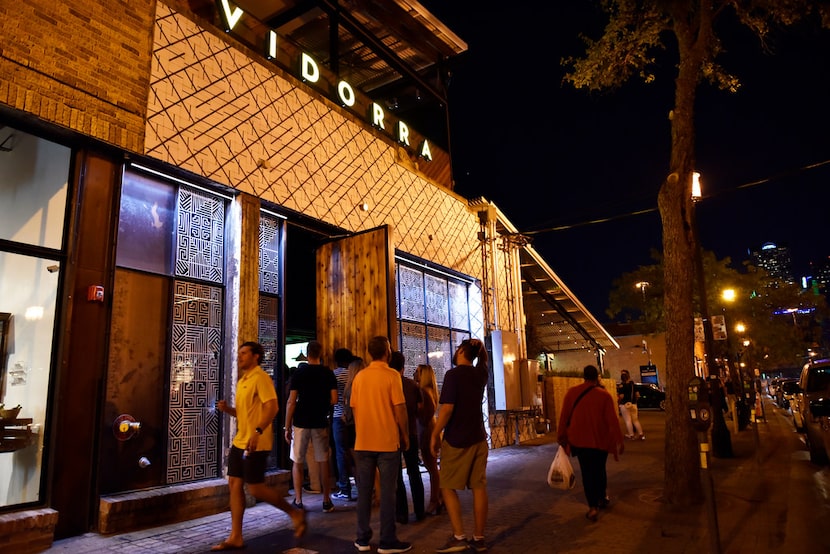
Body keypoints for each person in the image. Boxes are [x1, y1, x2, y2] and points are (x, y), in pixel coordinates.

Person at [212, 342, 306, 551]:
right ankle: (236, 536)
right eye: (240, 353)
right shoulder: (244, 380)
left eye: (244, 353)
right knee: (234, 485)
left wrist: (258, 431)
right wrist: (228, 409)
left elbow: (272, 407)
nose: (240, 356)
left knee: (255, 488)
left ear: (256, 356)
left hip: (256, 442)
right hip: (240, 441)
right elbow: (246, 413)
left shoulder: (260, 377)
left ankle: (294, 513)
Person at [350, 336, 412, 554]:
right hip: (387, 442)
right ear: (387, 352)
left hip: (363, 442)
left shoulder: (359, 377)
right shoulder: (392, 375)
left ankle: (362, 539)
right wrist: (405, 434)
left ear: (369, 353)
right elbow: (400, 409)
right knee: (388, 493)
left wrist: (362, 433)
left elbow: (355, 409)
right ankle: (387, 541)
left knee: (364, 492)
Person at [431, 338, 489, 553]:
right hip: (479, 438)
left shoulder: (452, 375)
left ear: (463, 350)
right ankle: (479, 538)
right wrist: (480, 348)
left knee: (446, 486)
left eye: (457, 348)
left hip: (457, 439)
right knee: (479, 487)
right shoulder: (480, 374)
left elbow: (447, 410)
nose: (455, 352)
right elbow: (483, 361)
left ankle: (459, 537)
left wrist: (434, 435)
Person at [557, 364, 625, 522]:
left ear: (584, 376)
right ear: (597, 377)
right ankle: (601, 497)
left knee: (587, 473)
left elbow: (564, 417)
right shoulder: (604, 396)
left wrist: (561, 437)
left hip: (579, 441)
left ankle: (592, 507)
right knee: (600, 469)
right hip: (600, 440)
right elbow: (612, 421)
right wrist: (619, 441)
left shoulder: (571, 393)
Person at [284, 340, 338, 513]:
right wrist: (322, 403)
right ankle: (326, 500)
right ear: (320, 353)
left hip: (300, 421)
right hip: (320, 420)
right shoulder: (328, 373)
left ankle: (298, 500)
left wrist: (287, 426)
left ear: (307, 354)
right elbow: (335, 399)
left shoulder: (299, 374)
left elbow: (291, 402)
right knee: (323, 461)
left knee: (297, 461)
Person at [391, 351, 425, 524]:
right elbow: (419, 408)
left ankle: (401, 514)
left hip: (392, 436)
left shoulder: (387, 385)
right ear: (403, 367)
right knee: (414, 472)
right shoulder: (413, 385)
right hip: (411, 433)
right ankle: (420, 511)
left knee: (396, 476)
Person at [414, 363, 442, 515]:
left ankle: (434, 500)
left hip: (427, 431)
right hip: (429, 429)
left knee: (431, 468)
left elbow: (427, 413)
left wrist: (418, 414)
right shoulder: (430, 391)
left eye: (418, 372)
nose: (415, 374)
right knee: (432, 467)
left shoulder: (424, 392)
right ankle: (439, 497)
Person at [332, 347, 356, 501]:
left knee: (340, 453)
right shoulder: (355, 375)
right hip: (354, 418)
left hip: (338, 416)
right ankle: (365, 485)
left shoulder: (334, 375)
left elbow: (332, 398)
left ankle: (344, 488)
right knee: (356, 452)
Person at [617, 370, 644, 440]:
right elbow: (637, 395)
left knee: (628, 421)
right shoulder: (633, 385)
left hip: (625, 405)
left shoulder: (621, 386)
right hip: (633, 404)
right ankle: (641, 434)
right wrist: (634, 401)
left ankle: (631, 435)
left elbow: (621, 396)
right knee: (635, 420)